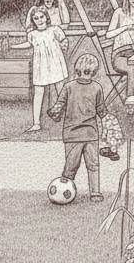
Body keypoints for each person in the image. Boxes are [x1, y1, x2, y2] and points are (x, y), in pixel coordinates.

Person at [47, 53, 111, 201]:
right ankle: (64, 192)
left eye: (87, 72)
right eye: (80, 72)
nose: (84, 75)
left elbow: (101, 108)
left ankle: (95, 192)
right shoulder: (68, 87)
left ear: (93, 73)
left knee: (93, 164)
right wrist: (54, 112)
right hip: (73, 135)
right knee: (71, 166)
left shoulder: (97, 88)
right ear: (76, 71)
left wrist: (109, 120)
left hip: (91, 134)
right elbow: (60, 104)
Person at [11, 5, 70, 132]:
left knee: (61, 90)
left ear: (46, 17)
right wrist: (14, 46)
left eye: (41, 17)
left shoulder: (55, 29)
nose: (40, 20)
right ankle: (36, 123)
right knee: (38, 92)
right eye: (36, 18)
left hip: (55, 63)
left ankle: (68, 119)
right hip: (41, 65)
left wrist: (63, 49)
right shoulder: (32, 34)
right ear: (33, 20)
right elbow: (29, 44)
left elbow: (64, 41)